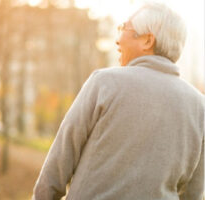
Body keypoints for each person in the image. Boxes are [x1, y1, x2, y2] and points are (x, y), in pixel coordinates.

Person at [33, 2, 204, 200]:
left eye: (124, 28)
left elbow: (59, 163)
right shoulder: (200, 107)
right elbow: (194, 192)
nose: (117, 40)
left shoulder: (105, 83)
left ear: (148, 41)